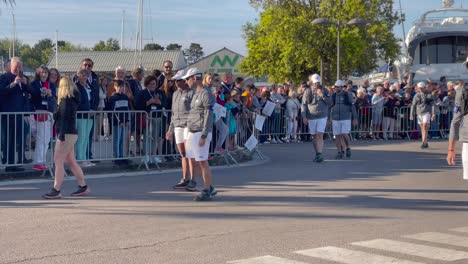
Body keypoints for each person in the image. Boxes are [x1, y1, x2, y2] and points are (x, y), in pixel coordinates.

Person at [42, 76, 90, 199]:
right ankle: (82, 186)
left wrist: (61, 135)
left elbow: (63, 119)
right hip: (71, 133)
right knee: (71, 161)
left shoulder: (64, 101)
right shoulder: (72, 100)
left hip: (66, 133)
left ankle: (56, 189)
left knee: (58, 161)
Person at [183, 68, 217, 201]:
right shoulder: (195, 93)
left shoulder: (205, 94)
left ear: (195, 78)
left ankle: (207, 190)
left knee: (203, 162)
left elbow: (208, 115)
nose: (186, 81)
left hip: (200, 132)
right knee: (194, 160)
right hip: (192, 131)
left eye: (188, 78)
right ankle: (209, 186)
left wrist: (204, 135)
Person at [166, 70, 197, 190]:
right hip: (178, 126)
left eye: (179, 80)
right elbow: (174, 112)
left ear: (184, 81)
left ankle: (193, 179)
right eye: (175, 80)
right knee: (183, 154)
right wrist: (170, 129)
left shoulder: (191, 93)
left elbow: (194, 111)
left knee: (190, 153)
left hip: (188, 126)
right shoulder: (175, 94)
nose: (176, 83)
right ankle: (185, 178)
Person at [0, 57, 31, 172]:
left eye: (20, 66)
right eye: (16, 66)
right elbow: (1, 91)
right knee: (9, 139)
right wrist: (13, 84)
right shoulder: (4, 77)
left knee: (18, 138)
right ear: (10, 66)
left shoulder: (23, 78)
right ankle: (9, 164)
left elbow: (31, 92)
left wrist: (26, 84)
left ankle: (15, 162)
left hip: (19, 112)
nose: (18, 68)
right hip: (8, 113)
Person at [30, 65, 57, 171]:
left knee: (46, 140)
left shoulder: (51, 85)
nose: (44, 74)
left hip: (49, 112)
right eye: (42, 72)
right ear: (38, 74)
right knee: (41, 138)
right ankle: (38, 161)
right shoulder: (34, 84)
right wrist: (41, 92)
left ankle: (42, 160)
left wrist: (50, 94)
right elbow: (34, 95)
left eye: (46, 72)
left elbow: (54, 98)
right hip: (40, 112)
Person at [301, 74, 332, 162]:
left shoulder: (324, 90)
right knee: (314, 136)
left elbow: (330, 103)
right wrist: (304, 116)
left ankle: (319, 154)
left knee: (319, 134)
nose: (317, 84)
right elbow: (303, 104)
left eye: (318, 82)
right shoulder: (308, 91)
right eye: (315, 83)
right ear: (312, 82)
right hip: (311, 116)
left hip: (322, 115)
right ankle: (317, 153)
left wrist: (322, 95)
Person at [331, 80, 358, 159]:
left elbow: (352, 107)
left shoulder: (348, 95)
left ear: (342, 87)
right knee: (337, 136)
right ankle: (339, 152)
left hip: (345, 118)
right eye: (335, 87)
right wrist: (329, 118)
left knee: (344, 134)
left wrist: (355, 118)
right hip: (335, 118)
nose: (336, 88)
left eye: (338, 87)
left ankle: (348, 147)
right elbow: (330, 107)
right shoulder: (333, 96)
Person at [106, 80, 130, 166]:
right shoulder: (113, 98)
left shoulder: (125, 97)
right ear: (115, 87)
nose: (121, 88)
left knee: (122, 140)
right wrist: (119, 121)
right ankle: (116, 157)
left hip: (124, 122)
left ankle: (122, 156)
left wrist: (127, 120)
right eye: (119, 86)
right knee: (117, 140)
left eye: (123, 87)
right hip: (117, 123)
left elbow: (127, 109)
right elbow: (112, 112)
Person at [447, 82, 468, 179]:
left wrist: (451, 150)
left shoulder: (462, 90)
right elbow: (455, 122)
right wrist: (451, 150)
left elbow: (455, 123)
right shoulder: (463, 91)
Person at [410, 82, 435, 149]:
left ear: (424, 88)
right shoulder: (416, 95)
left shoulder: (429, 95)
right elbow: (413, 105)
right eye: (419, 88)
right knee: (422, 128)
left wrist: (433, 114)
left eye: (422, 88)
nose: (420, 89)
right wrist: (411, 114)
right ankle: (425, 142)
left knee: (424, 126)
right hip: (419, 113)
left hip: (426, 112)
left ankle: (423, 142)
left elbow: (433, 105)